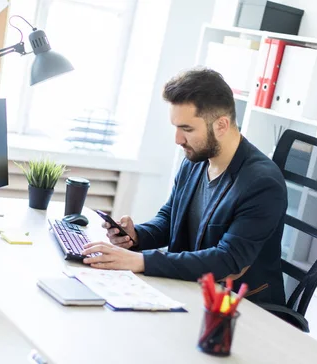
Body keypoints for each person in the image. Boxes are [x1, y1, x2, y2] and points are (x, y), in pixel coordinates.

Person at [81, 67, 288, 305]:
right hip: (190, 288)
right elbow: (170, 219)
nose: (177, 140)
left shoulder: (262, 183)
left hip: (238, 307)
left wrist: (139, 261)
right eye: (176, 128)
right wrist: (136, 236)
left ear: (221, 126)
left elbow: (228, 260)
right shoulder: (196, 160)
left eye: (187, 129)